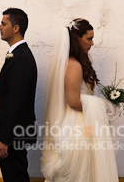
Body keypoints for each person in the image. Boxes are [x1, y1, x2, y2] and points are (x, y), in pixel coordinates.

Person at [41, 18, 119, 182]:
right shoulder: (74, 65)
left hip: (84, 123)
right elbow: (74, 102)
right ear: (77, 39)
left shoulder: (76, 63)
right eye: (89, 39)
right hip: (78, 127)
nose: (92, 43)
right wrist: (103, 104)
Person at [0, 8, 38, 182]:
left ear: (16, 28)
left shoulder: (22, 59)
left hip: (12, 137)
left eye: (4, 23)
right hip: (12, 135)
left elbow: (17, 102)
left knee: (16, 178)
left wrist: (5, 139)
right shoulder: (17, 55)